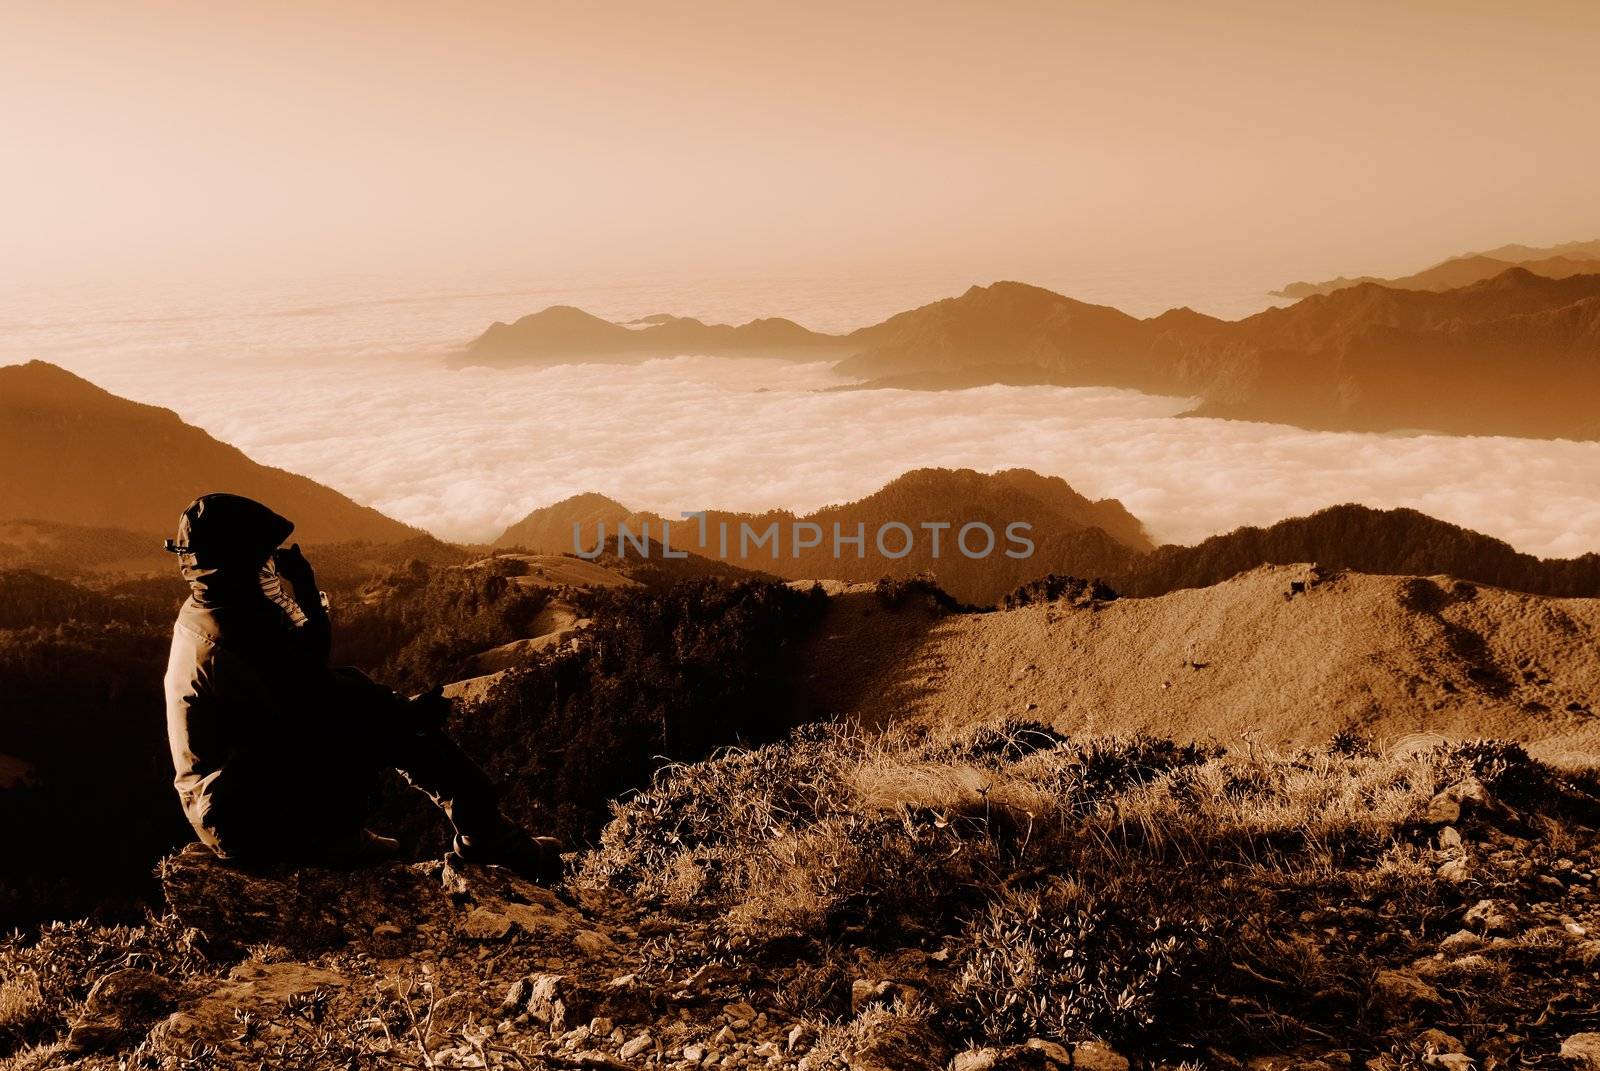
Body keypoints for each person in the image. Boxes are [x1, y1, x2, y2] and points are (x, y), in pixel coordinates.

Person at [162, 492, 559, 882]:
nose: (270, 567)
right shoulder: (233, 637)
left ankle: (480, 832)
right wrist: (405, 714)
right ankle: (484, 838)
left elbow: (309, 672)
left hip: (232, 801)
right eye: (262, 557)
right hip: (248, 817)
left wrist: (307, 590)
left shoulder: (212, 612)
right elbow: (318, 702)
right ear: (237, 561)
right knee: (395, 726)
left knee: (368, 698)